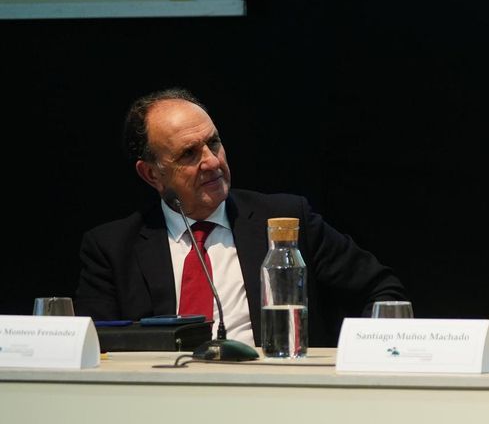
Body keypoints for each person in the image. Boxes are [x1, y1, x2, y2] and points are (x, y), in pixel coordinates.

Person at [77, 88, 407, 347]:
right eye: (188, 154)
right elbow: (97, 346)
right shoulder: (112, 248)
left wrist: (358, 357)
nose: (211, 162)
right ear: (152, 174)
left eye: (214, 143)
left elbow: (384, 293)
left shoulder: (285, 219)